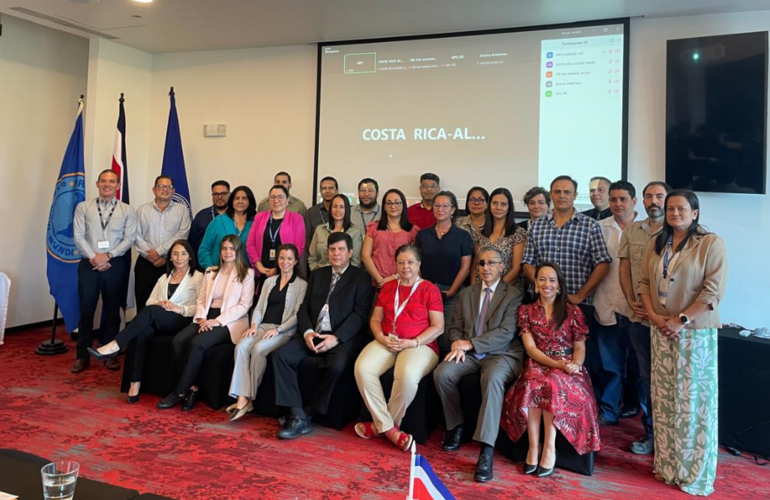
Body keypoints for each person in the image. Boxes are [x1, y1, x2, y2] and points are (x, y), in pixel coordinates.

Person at [638, 190, 727, 496]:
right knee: (664, 402)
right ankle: (668, 467)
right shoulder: (656, 242)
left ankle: (694, 474)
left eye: (681, 208)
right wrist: (654, 316)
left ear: (695, 212)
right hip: (660, 329)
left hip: (694, 334)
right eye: (670, 208)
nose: (674, 212)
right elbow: (644, 284)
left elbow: (712, 291)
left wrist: (681, 320)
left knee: (692, 406)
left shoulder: (710, 243)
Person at [501, 262, 601, 478]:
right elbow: (529, 348)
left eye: (552, 280)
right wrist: (554, 364)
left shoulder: (573, 311)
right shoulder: (526, 311)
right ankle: (532, 446)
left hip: (567, 362)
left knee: (553, 384)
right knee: (532, 384)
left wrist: (576, 364)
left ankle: (549, 447)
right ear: (535, 284)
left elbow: (580, 346)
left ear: (559, 285)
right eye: (542, 279)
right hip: (538, 361)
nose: (547, 284)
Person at [433, 247, 525, 483]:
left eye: (492, 263)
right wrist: (456, 343)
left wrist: (470, 343)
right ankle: (456, 426)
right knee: (442, 373)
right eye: (482, 263)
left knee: (492, 378)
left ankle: (486, 450)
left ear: (502, 267)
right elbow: (454, 326)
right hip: (469, 352)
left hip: (501, 354)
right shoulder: (467, 294)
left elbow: (506, 333)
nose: (486, 267)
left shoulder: (513, 294)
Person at [272, 232, 374, 439]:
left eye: (341, 249)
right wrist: (308, 332)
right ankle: (297, 413)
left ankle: (308, 412)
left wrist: (336, 338)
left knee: (337, 366)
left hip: (341, 337)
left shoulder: (361, 278)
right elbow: (303, 309)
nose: (336, 253)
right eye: (332, 249)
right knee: (280, 356)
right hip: (313, 333)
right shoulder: (318, 274)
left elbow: (360, 315)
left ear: (350, 253)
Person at [87, 240, 203, 403]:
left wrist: (178, 308)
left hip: (183, 320)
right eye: (175, 254)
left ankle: (116, 344)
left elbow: (200, 306)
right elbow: (150, 302)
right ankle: (135, 383)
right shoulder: (164, 278)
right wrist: (161, 304)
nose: (179, 257)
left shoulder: (198, 278)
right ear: (170, 257)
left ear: (190, 256)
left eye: (183, 254)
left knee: (149, 313)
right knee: (141, 333)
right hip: (161, 317)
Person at [354, 245, 444, 451]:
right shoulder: (388, 287)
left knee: (407, 374)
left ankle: (381, 427)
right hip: (387, 341)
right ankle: (390, 429)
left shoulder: (430, 289)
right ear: (395, 265)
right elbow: (375, 319)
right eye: (401, 262)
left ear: (419, 265)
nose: (406, 267)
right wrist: (380, 337)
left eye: (410, 262)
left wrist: (414, 342)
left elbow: (438, 326)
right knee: (362, 367)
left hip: (420, 344)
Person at [521, 176, 612, 376]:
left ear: (575, 196)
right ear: (551, 195)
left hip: (578, 304)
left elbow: (603, 263)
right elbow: (527, 262)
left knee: (581, 362)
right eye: (557, 192)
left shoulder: (590, 225)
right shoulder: (537, 226)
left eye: (567, 192)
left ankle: (579, 404)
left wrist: (580, 296)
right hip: (543, 305)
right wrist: (543, 288)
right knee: (541, 362)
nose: (562, 196)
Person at [158, 235, 255, 411]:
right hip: (205, 317)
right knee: (178, 341)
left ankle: (179, 392)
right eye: (224, 248)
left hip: (229, 321)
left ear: (238, 251)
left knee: (197, 343)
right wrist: (202, 318)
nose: (227, 252)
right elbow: (202, 300)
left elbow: (244, 306)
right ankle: (192, 387)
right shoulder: (211, 272)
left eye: (231, 248)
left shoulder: (247, 273)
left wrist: (217, 321)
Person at [618, 181, 671, 455]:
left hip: (671, 322)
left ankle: (672, 437)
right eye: (649, 196)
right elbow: (624, 267)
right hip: (639, 318)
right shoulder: (632, 230)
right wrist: (630, 300)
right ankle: (651, 434)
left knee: (672, 380)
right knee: (647, 378)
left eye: (659, 196)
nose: (654, 201)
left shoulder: (683, 232)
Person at [227, 244, 308, 422]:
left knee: (259, 349)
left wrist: (278, 329)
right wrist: (254, 325)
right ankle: (242, 397)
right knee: (241, 346)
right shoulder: (270, 281)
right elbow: (259, 307)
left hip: (283, 330)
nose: (285, 262)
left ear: (295, 261)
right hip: (263, 326)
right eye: (281, 258)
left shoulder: (301, 285)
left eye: (289, 258)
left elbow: (298, 315)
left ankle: (249, 396)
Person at [71, 169, 137, 374]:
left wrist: (107, 256)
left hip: (114, 264)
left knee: (112, 310)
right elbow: (78, 236)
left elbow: (129, 238)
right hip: (88, 264)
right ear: (97, 183)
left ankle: (109, 355)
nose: (107, 184)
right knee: (86, 310)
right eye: (104, 181)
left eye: (112, 181)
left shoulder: (127, 210)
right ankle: (82, 356)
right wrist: (94, 257)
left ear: (118, 185)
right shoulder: (84, 207)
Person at [592, 180, 641, 426]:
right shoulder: (598, 228)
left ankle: (640, 411)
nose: (618, 204)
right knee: (609, 364)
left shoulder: (647, 230)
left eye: (623, 199)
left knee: (638, 366)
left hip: (638, 309)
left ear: (634, 201)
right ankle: (609, 411)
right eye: (613, 199)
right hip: (606, 304)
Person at [415, 191, 472, 351]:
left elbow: (466, 267)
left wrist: (452, 291)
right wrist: (424, 286)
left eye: (445, 206)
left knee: (446, 337)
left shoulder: (463, 236)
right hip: (425, 292)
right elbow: (416, 263)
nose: (441, 209)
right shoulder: (423, 234)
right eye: (437, 205)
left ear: (453, 210)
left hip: (451, 294)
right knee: (423, 334)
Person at [133, 175, 191, 311]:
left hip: (170, 264)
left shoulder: (181, 210)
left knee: (168, 304)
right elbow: (135, 234)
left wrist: (159, 252)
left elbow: (182, 233)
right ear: (154, 189)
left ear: (173, 190)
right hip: (145, 264)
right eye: (160, 186)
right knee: (143, 303)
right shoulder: (142, 209)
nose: (164, 189)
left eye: (168, 187)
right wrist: (150, 255)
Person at [247, 185, 306, 293]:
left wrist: (278, 269)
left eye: (280, 197)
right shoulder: (259, 217)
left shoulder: (297, 219)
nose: (276, 200)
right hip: (262, 272)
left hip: (286, 272)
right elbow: (250, 244)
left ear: (287, 200)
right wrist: (259, 266)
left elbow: (299, 248)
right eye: (272, 197)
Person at [361, 188, 420, 288]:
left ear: (403, 205)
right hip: (376, 284)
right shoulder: (374, 227)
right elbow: (365, 256)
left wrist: (394, 277)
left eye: (397, 203)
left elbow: (413, 261)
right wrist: (380, 280)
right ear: (384, 206)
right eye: (389, 203)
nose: (393, 206)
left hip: (403, 283)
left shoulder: (413, 231)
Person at [471, 188, 527, 289]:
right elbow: (476, 263)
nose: (498, 207)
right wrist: (473, 288)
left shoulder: (518, 233)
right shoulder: (479, 232)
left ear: (509, 207)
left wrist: (496, 288)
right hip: (481, 288)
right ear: (489, 205)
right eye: (495, 203)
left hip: (506, 289)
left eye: (503, 204)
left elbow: (517, 268)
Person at [198, 185, 256, 269]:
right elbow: (204, 249)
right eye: (236, 198)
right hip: (218, 273)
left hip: (245, 275)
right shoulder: (218, 221)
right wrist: (211, 268)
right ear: (231, 201)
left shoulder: (255, 223)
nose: (240, 201)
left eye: (244, 198)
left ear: (250, 201)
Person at [308, 194, 363, 271]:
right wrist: (316, 273)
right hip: (320, 275)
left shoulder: (355, 233)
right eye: (335, 206)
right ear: (330, 209)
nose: (337, 210)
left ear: (347, 210)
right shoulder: (319, 229)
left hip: (345, 279)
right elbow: (312, 258)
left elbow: (355, 262)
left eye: (341, 207)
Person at [188, 180, 230, 264]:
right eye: (215, 194)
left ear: (230, 194)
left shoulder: (236, 216)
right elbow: (192, 244)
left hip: (230, 265)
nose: (219, 197)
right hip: (203, 266)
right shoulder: (201, 216)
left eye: (223, 194)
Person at [303, 176, 338, 263]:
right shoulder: (311, 212)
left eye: (330, 188)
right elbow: (307, 238)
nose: (327, 191)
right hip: (319, 261)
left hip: (340, 258)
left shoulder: (343, 211)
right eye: (324, 188)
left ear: (337, 191)